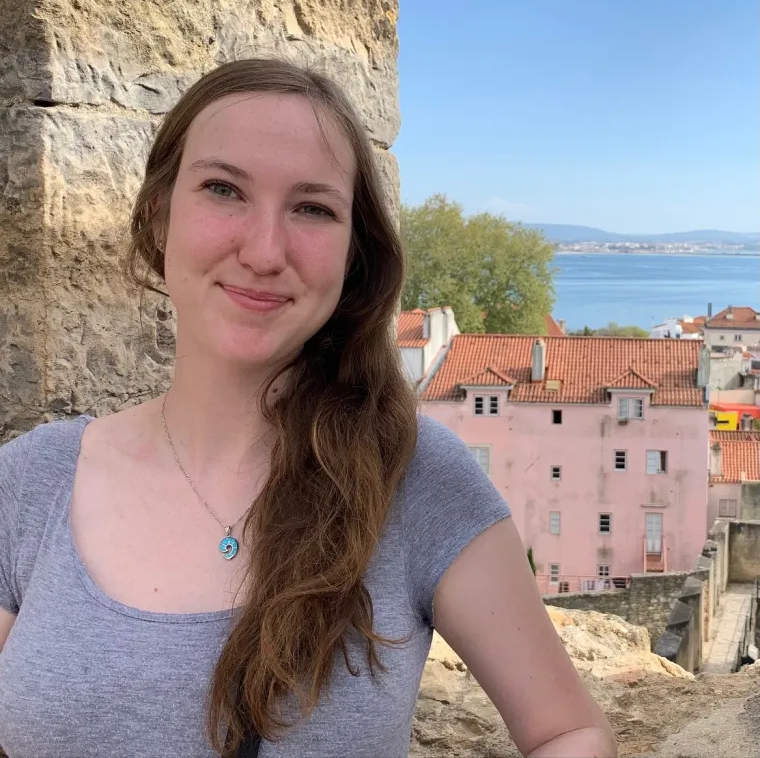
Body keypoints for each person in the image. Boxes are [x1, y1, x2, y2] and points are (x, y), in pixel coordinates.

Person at [0, 59, 617, 758]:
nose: (264, 250)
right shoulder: (29, 483)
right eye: (224, 189)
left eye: (312, 208)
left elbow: (569, 729)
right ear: (158, 214)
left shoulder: (412, 480)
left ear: (354, 256)